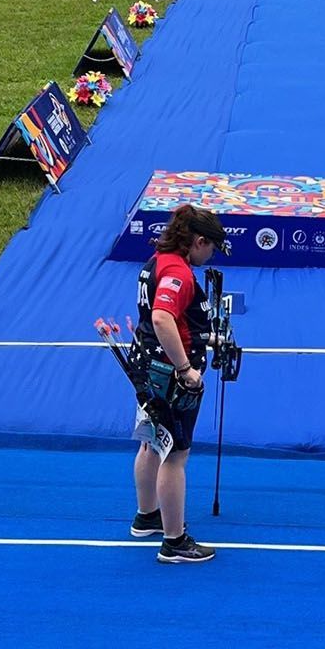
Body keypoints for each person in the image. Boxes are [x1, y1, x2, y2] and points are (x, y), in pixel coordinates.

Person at [129, 203, 227, 564]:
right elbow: (161, 318)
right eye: (211, 247)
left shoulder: (160, 258)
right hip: (168, 374)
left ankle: (147, 516)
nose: (211, 254)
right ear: (198, 241)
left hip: (146, 366)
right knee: (176, 454)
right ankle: (174, 541)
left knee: (154, 441)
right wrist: (185, 368)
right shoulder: (179, 274)